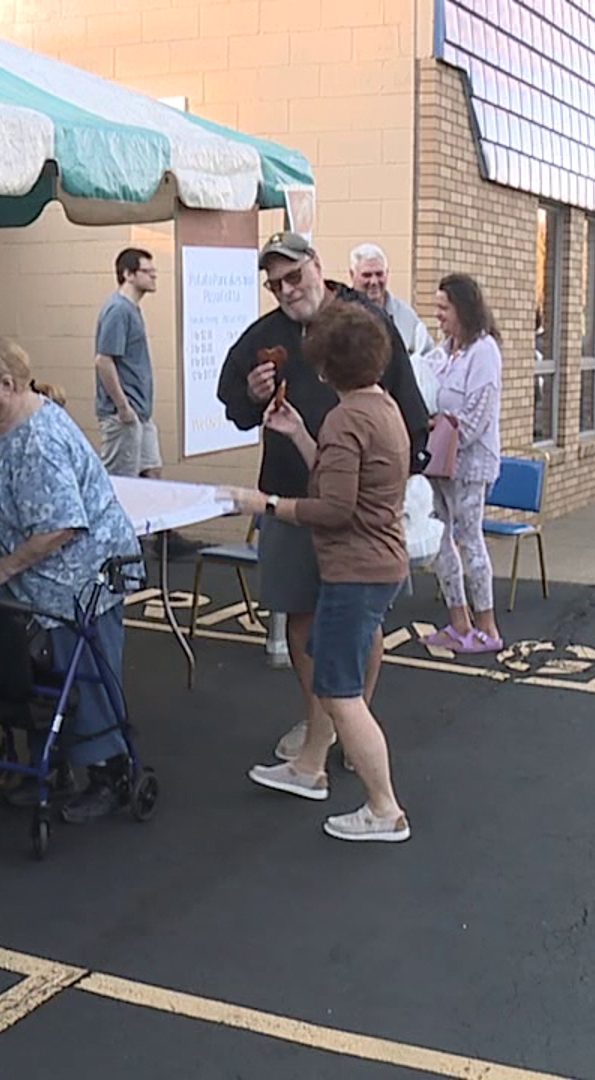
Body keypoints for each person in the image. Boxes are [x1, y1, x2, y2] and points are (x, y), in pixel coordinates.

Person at [215, 232, 429, 769]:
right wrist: (254, 397)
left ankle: (351, 724)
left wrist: (397, 483)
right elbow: (235, 406)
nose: (287, 290)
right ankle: (323, 729)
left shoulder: (364, 323)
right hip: (291, 490)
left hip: (354, 507)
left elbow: (408, 408)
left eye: (294, 276)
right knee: (303, 618)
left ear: (317, 265)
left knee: (359, 622)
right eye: (275, 284)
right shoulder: (263, 338)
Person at [224, 301, 413, 843]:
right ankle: (310, 771)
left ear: (326, 368)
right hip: (377, 564)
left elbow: (333, 509)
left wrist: (264, 503)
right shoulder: (380, 408)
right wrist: (302, 434)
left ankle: (384, 808)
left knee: (339, 690)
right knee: (338, 680)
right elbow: (340, 478)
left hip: (356, 569)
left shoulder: (348, 416)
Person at [0, 337, 144, 825]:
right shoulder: (14, 425)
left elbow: (61, 523)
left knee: (82, 675)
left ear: (7, 384)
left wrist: (2, 567)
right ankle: (55, 764)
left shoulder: (38, 440)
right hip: (46, 580)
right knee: (45, 677)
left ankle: (109, 772)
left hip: (77, 579)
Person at [421, 273, 504, 654]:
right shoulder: (446, 349)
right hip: (438, 461)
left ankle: (487, 626)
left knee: (469, 540)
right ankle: (458, 622)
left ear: (463, 309)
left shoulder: (483, 351)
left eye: (444, 308)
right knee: (440, 539)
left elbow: (478, 412)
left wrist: (445, 431)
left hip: (469, 464)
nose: (438, 315)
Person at [94, 247, 161, 478]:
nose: (153, 276)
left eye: (154, 271)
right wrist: (123, 407)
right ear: (128, 274)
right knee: (123, 482)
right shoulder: (118, 310)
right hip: (123, 413)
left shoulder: (132, 309)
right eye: (147, 271)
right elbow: (103, 360)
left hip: (141, 412)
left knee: (151, 473)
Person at [350, 243, 431, 357]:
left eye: (379, 274)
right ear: (352, 275)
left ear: (387, 273)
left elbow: (427, 356)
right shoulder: (339, 315)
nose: (374, 281)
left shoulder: (406, 315)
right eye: (367, 275)